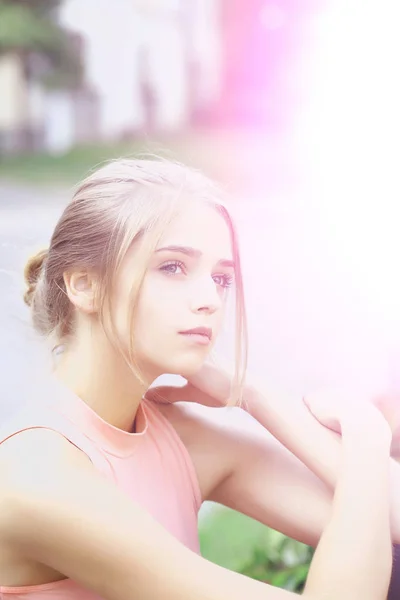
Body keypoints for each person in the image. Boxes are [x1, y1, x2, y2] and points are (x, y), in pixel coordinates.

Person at [0, 158, 395, 600]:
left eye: (221, 278)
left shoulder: (179, 440)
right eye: (172, 267)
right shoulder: (38, 474)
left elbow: (389, 521)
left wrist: (253, 394)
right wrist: (365, 435)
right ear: (84, 285)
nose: (210, 299)